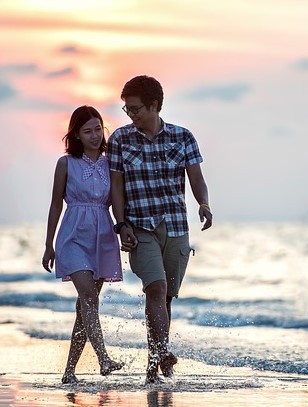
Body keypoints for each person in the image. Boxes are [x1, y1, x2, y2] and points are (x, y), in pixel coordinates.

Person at [107, 75, 212, 383]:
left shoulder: (183, 137)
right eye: (126, 109)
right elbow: (116, 187)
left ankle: (155, 364)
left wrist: (203, 204)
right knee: (155, 288)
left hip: (176, 226)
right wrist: (121, 223)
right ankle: (163, 353)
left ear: (153, 105)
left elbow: (197, 179)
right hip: (140, 227)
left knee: (164, 299)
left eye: (136, 109)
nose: (130, 115)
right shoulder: (120, 139)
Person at [42, 105, 124, 384]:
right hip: (73, 236)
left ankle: (69, 372)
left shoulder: (111, 161)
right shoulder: (65, 163)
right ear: (75, 134)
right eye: (86, 131)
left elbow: (119, 200)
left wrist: (126, 229)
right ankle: (104, 359)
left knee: (85, 307)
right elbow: (55, 204)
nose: (93, 135)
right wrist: (48, 244)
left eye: (97, 129)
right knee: (88, 297)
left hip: (102, 235)